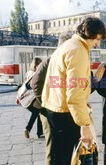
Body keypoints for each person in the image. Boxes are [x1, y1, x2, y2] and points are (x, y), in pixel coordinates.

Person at [41, 17, 106, 164]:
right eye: (98, 38)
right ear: (92, 33)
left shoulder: (67, 46)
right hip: (65, 113)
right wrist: (85, 125)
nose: (98, 43)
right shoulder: (78, 50)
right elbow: (75, 93)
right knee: (65, 157)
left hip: (55, 108)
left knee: (58, 156)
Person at [29, 32, 72, 165]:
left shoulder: (66, 60)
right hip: (50, 111)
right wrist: (46, 103)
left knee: (63, 146)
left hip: (63, 111)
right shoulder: (50, 60)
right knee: (52, 145)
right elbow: (35, 83)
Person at [23, 57, 43, 139]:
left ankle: (38, 132)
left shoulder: (28, 72)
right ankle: (29, 129)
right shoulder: (35, 74)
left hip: (27, 98)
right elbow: (32, 85)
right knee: (38, 113)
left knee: (37, 113)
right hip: (33, 98)